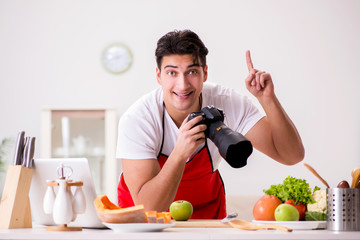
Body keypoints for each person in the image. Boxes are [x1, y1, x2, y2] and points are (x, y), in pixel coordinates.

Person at [116, 29, 304, 219]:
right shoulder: (138, 119)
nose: (182, 85)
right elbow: (150, 206)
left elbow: (291, 156)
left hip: (207, 215)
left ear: (205, 73)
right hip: (144, 221)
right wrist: (180, 153)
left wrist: (268, 99)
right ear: (159, 76)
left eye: (192, 72)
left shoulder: (226, 102)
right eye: (172, 72)